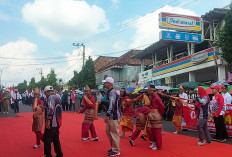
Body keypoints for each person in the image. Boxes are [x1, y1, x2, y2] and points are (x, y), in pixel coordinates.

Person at [103, 77, 121, 156]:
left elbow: (111, 104)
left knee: (113, 133)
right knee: (108, 132)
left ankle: (116, 150)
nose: (104, 84)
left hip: (113, 116)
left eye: (105, 82)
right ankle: (114, 147)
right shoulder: (109, 92)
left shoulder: (112, 92)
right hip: (111, 116)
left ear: (109, 83)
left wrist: (107, 115)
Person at [43, 85, 63, 157]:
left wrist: (48, 121)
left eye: (45, 93)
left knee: (46, 139)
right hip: (58, 121)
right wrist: (45, 107)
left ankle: (48, 155)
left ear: (47, 92)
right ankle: (59, 154)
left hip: (52, 122)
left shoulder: (50, 98)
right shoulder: (56, 97)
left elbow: (51, 109)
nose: (45, 94)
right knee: (55, 138)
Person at [146, 85, 165, 150]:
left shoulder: (157, 98)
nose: (148, 92)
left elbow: (162, 106)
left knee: (156, 131)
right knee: (149, 129)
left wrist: (160, 114)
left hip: (156, 115)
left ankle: (158, 145)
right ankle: (154, 141)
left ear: (152, 90)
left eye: (149, 90)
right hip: (151, 114)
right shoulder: (151, 97)